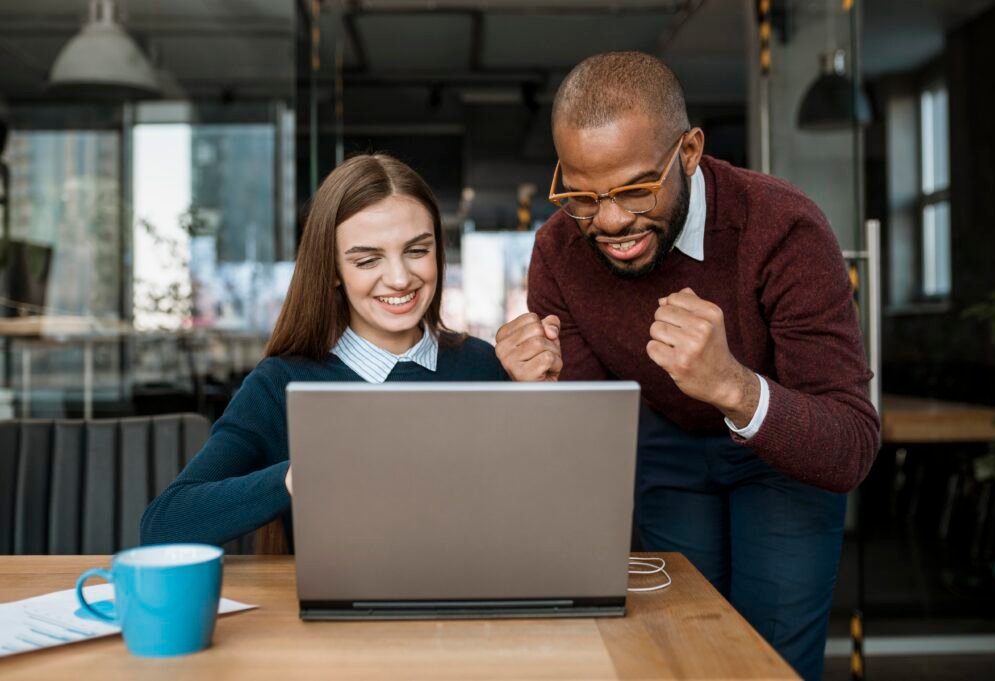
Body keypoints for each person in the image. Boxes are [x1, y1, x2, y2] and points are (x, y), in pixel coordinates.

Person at [494, 51, 879, 681]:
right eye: (582, 196)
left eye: (636, 187)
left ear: (691, 151)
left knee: (768, 661)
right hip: (664, 447)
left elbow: (851, 447)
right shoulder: (560, 250)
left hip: (784, 456)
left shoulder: (783, 229)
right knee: (677, 653)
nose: (611, 221)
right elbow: (593, 448)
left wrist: (732, 386)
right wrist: (545, 395)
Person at [141, 154, 506, 548]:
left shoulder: (482, 364)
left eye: (417, 251)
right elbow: (164, 524)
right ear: (332, 269)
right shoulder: (281, 384)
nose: (400, 279)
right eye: (367, 260)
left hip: (469, 604)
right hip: (340, 607)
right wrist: (297, 476)